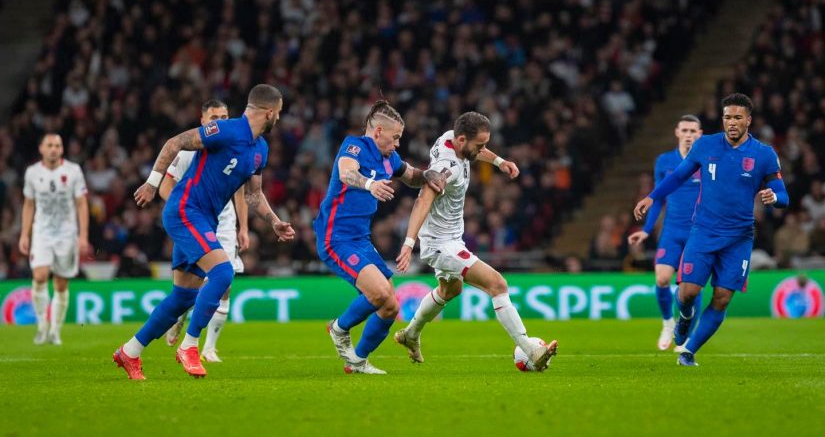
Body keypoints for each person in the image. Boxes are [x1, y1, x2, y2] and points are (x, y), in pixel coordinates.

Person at [113, 84, 295, 380]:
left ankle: (129, 352)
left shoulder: (260, 149)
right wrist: (152, 183)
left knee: (183, 297)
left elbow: (253, 194)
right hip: (185, 210)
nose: (279, 118)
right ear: (270, 112)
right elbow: (175, 143)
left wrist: (274, 221)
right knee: (223, 273)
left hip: (205, 220)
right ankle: (189, 346)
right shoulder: (226, 130)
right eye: (279, 113)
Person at [393, 112, 558, 371]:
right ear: (461, 140)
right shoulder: (447, 168)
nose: (483, 149)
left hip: (450, 237)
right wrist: (408, 242)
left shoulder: (450, 138)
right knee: (497, 284)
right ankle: (530, 349)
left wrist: (499, 161)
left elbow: (476, 152)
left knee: (450, 290)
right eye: (480, 145)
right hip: (440, 243)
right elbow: (423, 199)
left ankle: (410, 334)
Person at [634, 94, 789, 366]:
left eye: (738, 117)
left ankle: (688, 351)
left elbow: (783, 195)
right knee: (688, 293)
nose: (732, 122)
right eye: (727, 117)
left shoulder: (764, 154)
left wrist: (773, 197)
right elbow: (678, 175)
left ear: (748, 120)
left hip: (739, 238)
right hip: (703, 232)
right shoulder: (705, 145)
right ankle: (684, 317)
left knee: (722, 298)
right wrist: (652, 197)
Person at [315, 100, 446, 375]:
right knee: (380, 292)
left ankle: (357, 361)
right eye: (395, 137)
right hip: (336, 237)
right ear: (378, 132)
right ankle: (338, 328)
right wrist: (370, 184)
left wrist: (428, 175)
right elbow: (346, 173)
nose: (398, 143)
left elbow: (411, 176)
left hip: (361, 239)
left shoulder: (390, 159)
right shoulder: (354, 146)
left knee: (390, 306)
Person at [159, 99, 250, 363]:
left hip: (224, 223)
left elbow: (241, 192)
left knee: (225, 282)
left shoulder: (236, 146)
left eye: (224, 117)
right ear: (203, 121)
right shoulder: (190, 150)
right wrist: (184, 211)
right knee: (192, 286)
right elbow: (166, 186)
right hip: (195, 221)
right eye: (214, 118)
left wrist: (243, 227)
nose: (220, 122)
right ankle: (181, 314)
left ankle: (209, 348)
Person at [628, 115, 704, 351]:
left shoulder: (706, 161)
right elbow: (659, 198)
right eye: (685, 130)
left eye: (693, 131)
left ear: (700, 134)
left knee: (692, 286)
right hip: (672, 231)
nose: (689, 135)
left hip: (697, 233)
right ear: (677, 132)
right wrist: (646, 230)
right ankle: (668, 323)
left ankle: (686, 337)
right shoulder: (664, 161)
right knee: (662, 279)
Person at [19, 134, 90, 345]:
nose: (53, 149)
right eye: (49, 145)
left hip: (66, 234)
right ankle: (42, 324)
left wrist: (83, 235)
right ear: (41, 148)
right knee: (40, 276)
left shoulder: (73, 171)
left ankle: (55, 331)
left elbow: (81, 204)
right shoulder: (32, 173)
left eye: (57, 145)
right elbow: (29, 204)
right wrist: (24, 234)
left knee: (60, 283)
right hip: (41, 232)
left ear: (62, 149)